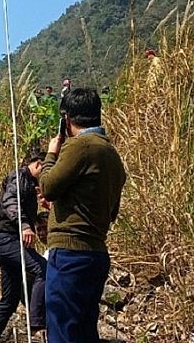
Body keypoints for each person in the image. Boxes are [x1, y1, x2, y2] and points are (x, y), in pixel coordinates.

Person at [39, 88, 127, 343]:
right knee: (84, 332)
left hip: (69, 256)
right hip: (95, 255)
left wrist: (51, 153)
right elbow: (110, 212)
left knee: (62, 333)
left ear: (66, 120)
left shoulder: (80, 146)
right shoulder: (112, 155)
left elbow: (47, 186)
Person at [0, 151, 47, 343]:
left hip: (5, 241)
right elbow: (10, 202)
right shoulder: (19, 177)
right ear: (37, 164)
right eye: (45, 168)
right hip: (7, 239)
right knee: (43, 269)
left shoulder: (31, 184)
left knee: (9, 302)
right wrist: (25, 225)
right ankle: (37, 321)